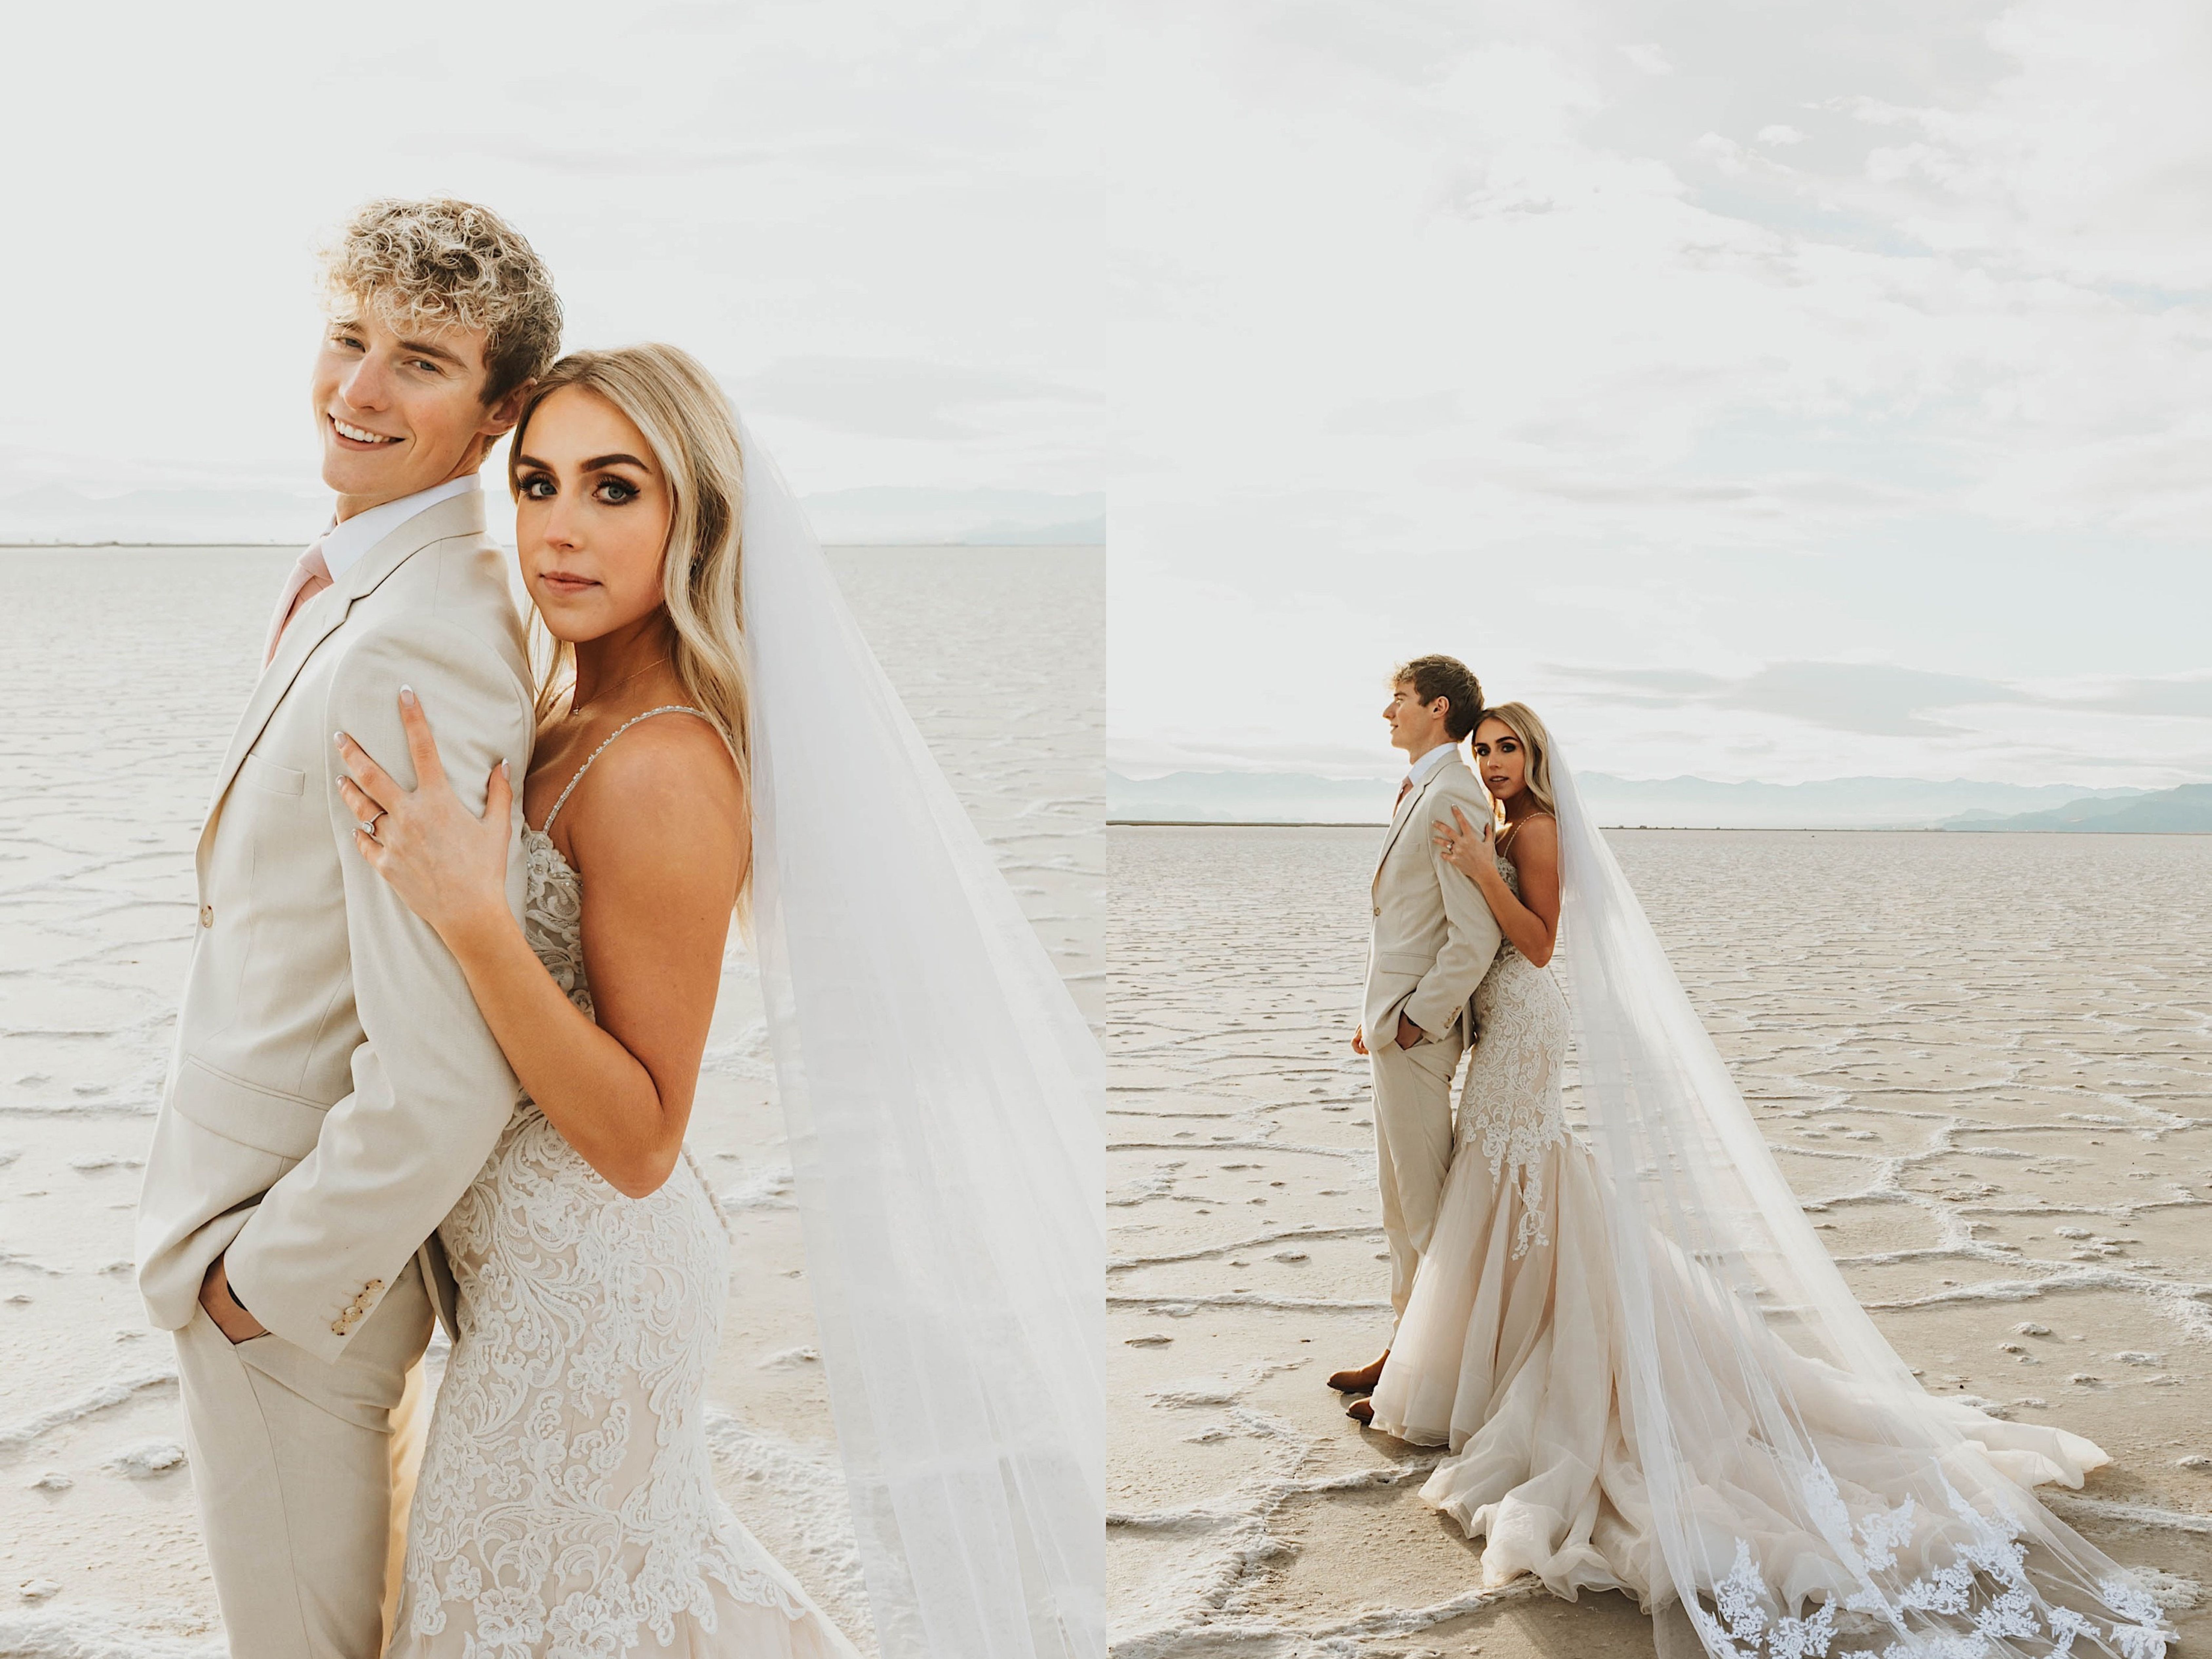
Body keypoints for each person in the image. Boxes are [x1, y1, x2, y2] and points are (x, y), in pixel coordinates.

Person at [337, 345, 1102, 1657]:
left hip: (589, 1285)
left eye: (614, 489)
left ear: (696, 516)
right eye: (535, 484)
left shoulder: (663, 763)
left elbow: (642, 1138)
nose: (560, 528)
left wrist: (469, 917)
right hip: (525, 1281)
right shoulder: (571, 717)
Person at [1354, 701, 2170, 1659]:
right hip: (1500, 1021)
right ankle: (1490, 1354)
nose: (1492, 762)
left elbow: (1535, 942)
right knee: (1512, 1185)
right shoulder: (1493, 824)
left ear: (1535, 758)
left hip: (1527, 1017)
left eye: (1507, 748)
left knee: (1518, 1173)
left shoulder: (1532, 826)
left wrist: (1471, 878)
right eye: (1484, 748)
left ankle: (1495, 1362)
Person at [134, 197, 558, 1658]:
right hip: (266, 1255)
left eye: (423, 362)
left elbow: (445, 1067)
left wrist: (261, 1291)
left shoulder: (419, 634)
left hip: (288, 1282)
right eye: (348, 339)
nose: (360, 390)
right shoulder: (363, 577)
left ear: (501, 411)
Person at [1326, 655, 1499, 1400]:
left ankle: (1443, 1376)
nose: (1386, 712)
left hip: (1419, 1039)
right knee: (1399, 1204)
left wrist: (1415, 1023)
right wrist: (1378, 1018)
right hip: (1392, 1028)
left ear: (1436, 708)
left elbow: (1474, 935)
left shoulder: (1454, 794)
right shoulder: (1424, 788)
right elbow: (1408, 926)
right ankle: (1406, 1348)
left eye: (1397, 699)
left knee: (1427, 1209)